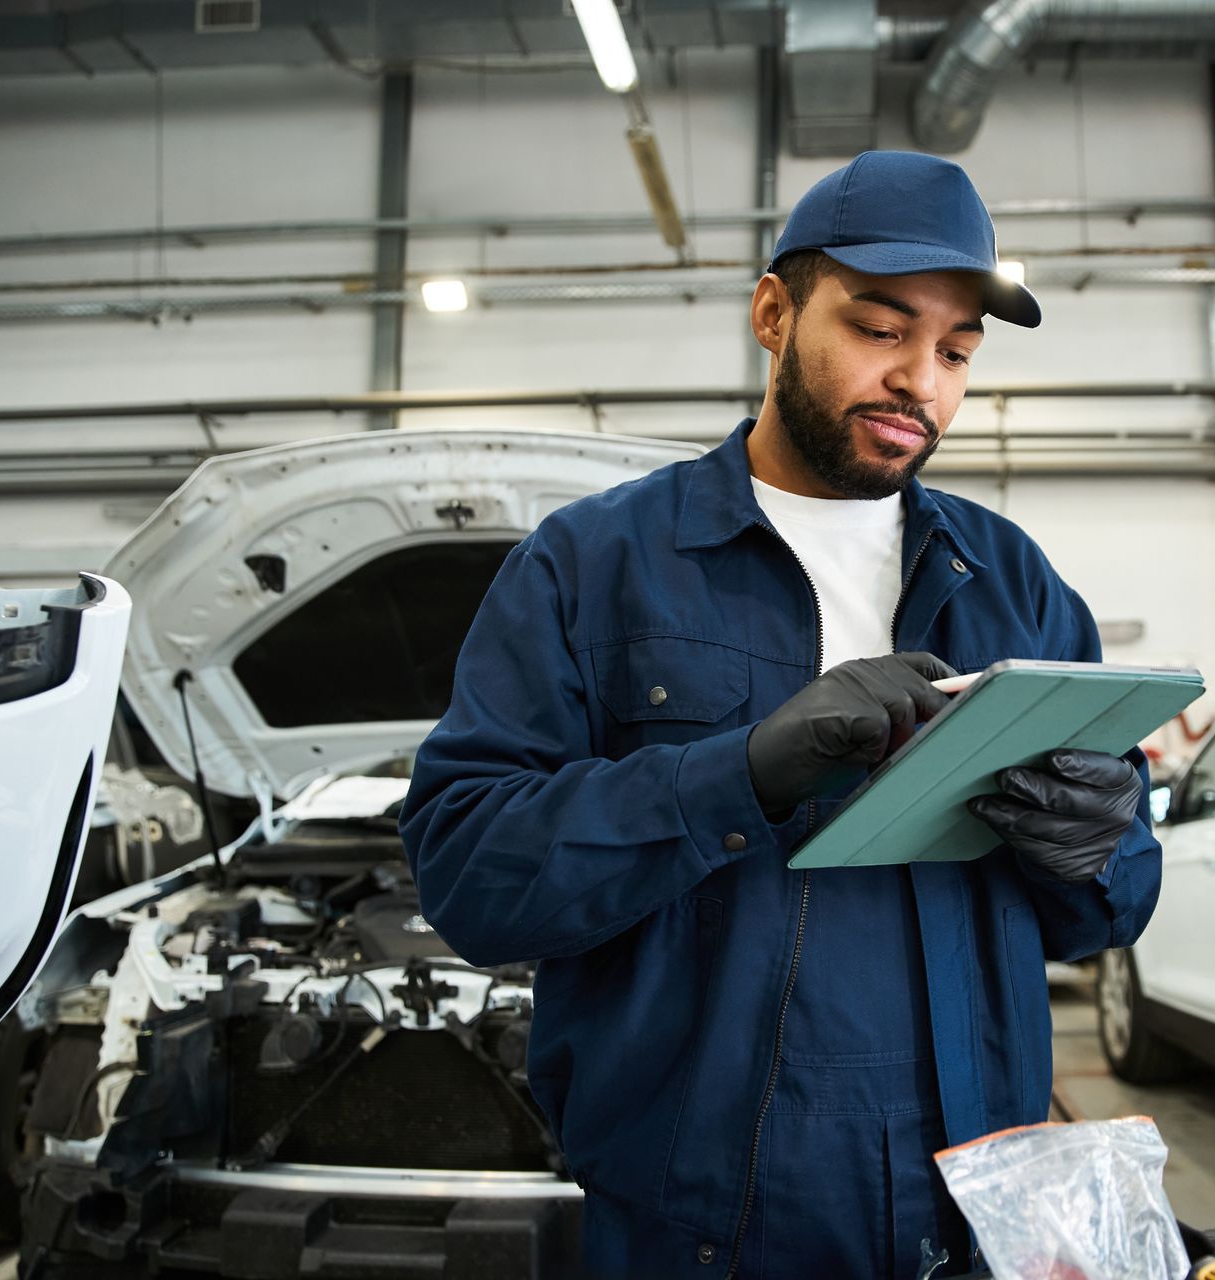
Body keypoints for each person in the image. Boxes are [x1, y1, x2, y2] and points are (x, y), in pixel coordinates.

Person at [400, 150, 1161, 1280]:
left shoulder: (1016, 583)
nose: (921, 381)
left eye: (955, 352)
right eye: (879, 328)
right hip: (693, 1220)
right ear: (773, 312)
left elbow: (1115, 904)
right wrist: (740, 773)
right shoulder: (594, 565)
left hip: (970, 1210)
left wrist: (1094, 847)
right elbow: (471, 873)